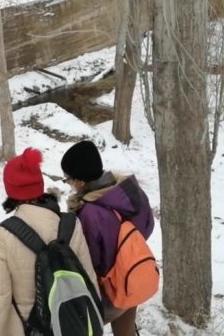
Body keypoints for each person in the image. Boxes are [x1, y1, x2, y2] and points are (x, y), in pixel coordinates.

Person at [0, 148, 99, 335]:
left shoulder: (2, 235)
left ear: (10, 189)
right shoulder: (70, 224)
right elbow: (89, 279)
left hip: (29, 328)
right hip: (70, 323)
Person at [61, 140, 155, 336]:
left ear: (79, 181)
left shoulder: (90, 214)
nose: (68, 183)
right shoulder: (129, 191)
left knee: (72, 326)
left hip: (114, 289)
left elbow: (89, 263)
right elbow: (147, 226)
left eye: (67, 178)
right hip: (134, 276)